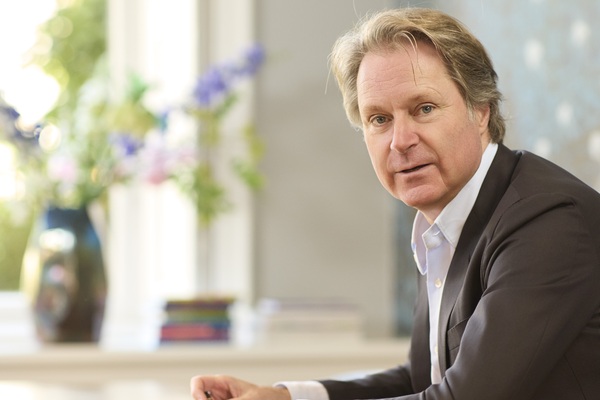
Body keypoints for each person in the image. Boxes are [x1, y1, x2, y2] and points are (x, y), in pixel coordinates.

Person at [191, 7, 600, 400]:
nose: (400, 141)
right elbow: (424, 378)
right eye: (379, 119)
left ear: (480, 111)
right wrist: (283, 396)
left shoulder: (548, 221)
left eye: (424, 109)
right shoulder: (443, 223)